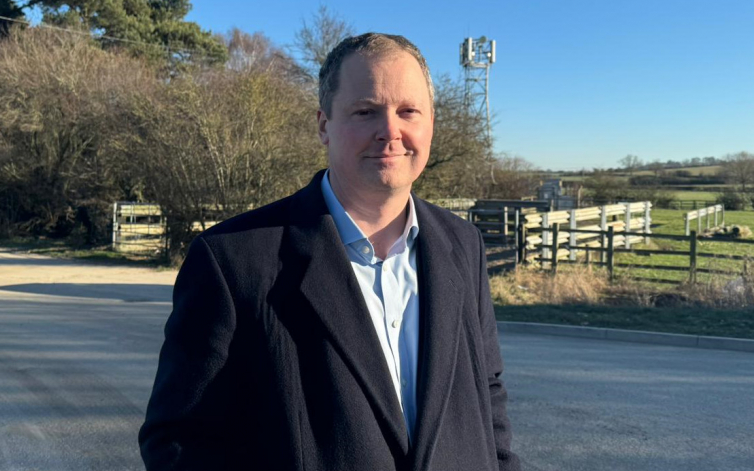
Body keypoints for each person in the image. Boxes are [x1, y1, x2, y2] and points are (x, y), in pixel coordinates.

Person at [139, 33, 521, 471]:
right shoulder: (232, 260)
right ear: (324, 125)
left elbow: (487, 394)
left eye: (408, 111)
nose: (390, 132)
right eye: (365, 111)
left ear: (430, 122)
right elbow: (179, 441)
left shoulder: (462, 244)